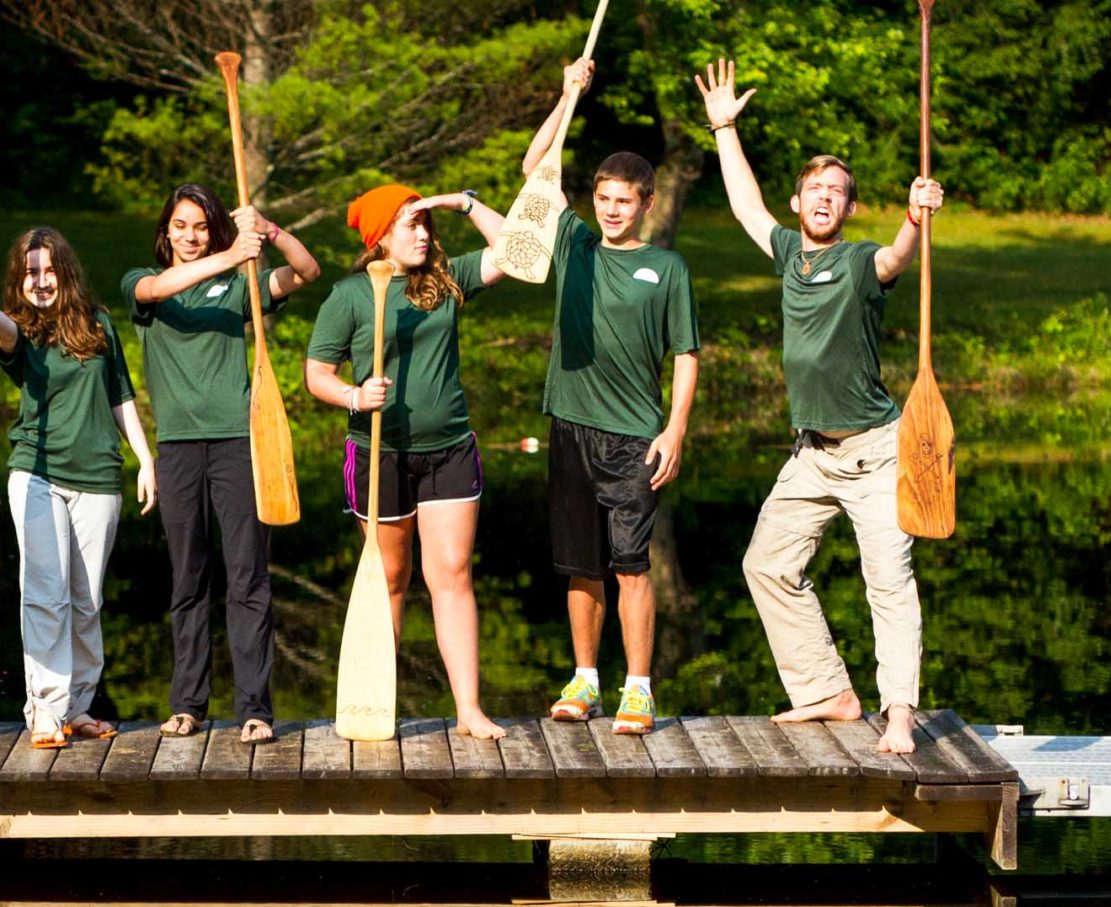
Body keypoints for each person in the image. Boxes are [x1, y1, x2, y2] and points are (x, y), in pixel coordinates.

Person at [695, 59, 945, 757]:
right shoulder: (786, 255)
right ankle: (826, 691)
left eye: (837, 191)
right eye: (815, 189)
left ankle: (898, 713)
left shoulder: (862, 261)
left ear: (849, 208)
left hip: (874, 453)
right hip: (810, 454)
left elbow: (897, 258)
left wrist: (915, 218)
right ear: (799, 201)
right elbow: (746, 207)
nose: (825, 197)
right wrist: (723, 129)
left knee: (887, 582)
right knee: (765, 563)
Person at [522, 59, 700, 738]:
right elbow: (535, 168)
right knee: (578, 565)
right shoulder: (572, 243)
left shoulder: (668, 268)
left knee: (630, 565)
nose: (610, 209)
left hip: (634, 437)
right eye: (602, 198)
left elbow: (685, 355)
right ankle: (585, 679)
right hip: (570, 426)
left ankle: (639, 688)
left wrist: (675, 428)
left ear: (646, 203)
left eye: (623, 201)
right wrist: (566, 96)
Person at [303, 186, 512, 742]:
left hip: (448, 448)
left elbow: (518, 249)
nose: (422, 234)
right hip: (379, 452)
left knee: (451, 573)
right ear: (379, 237)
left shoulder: (444, 282)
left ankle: (468, 709)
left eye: (425, 224)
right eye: (409, 224)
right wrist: (353, 396)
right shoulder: (349, 296)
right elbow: (316, 372)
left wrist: (460, 203)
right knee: (390, 578)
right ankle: (379, 706)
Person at [122, 184, 321, 743]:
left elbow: (307, 271)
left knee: (247, 579)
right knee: (188, 579)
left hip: (240, 443)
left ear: (216, 231)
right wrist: (230, 255)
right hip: (179, 449)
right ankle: (188, 704)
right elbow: (158, 287)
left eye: (201, 227)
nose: (190, 236)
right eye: (181, 226)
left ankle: (255, 708)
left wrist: (272, 232)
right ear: (166, 232)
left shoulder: (241, 289)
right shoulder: (143, 285)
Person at [0, 230, 155, 748]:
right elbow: (4, 331)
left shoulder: (99, 325)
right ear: (18, 278)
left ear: (66, 272)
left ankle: (77, 706)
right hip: (37, 472)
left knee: (86, 599)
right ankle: (45, 711)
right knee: (46, 595)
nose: (41, 281)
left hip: (98, 475)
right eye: (31, 272)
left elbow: (119, 394)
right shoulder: (20, 329)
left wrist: (144, 457)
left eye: (50, 270)